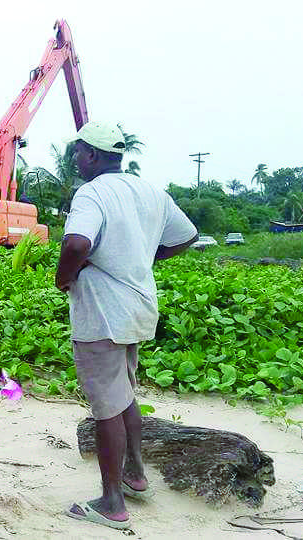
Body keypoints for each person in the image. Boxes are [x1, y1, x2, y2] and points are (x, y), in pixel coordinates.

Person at [56, 121, 198, 530]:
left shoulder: (92, 192)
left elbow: (77, 243)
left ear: (93, 155)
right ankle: (135, 475)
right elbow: (187, 235)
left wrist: (64, 277)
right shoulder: (148, 189)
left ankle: (112, 501)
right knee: (123, 396)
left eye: (79, 153)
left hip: (102, 313)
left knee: (106, 408)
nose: (76, 160)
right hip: (137, 306)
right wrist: (144, 258)